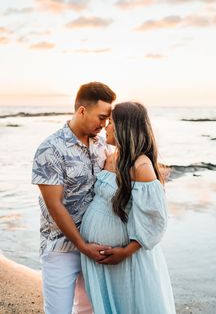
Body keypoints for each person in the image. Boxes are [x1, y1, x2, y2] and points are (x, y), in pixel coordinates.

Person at [80, 102, 176, 314]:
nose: (106, 126)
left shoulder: (141, 166)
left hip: (126, 259)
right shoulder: (111, 157)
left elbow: (154, 222)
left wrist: (124, 252)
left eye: (112, 123)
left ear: (124, 127)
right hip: (99, 257)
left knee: (129, 306)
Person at [32, 82, 116, 314]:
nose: (105, 125)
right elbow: (54, 205)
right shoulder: (50, 149)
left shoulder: (102, 145)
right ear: (82, 111)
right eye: (101, 118)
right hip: (61, 247)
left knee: (90, 311)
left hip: (95, 244)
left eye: (108, 120)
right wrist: (82, 246)